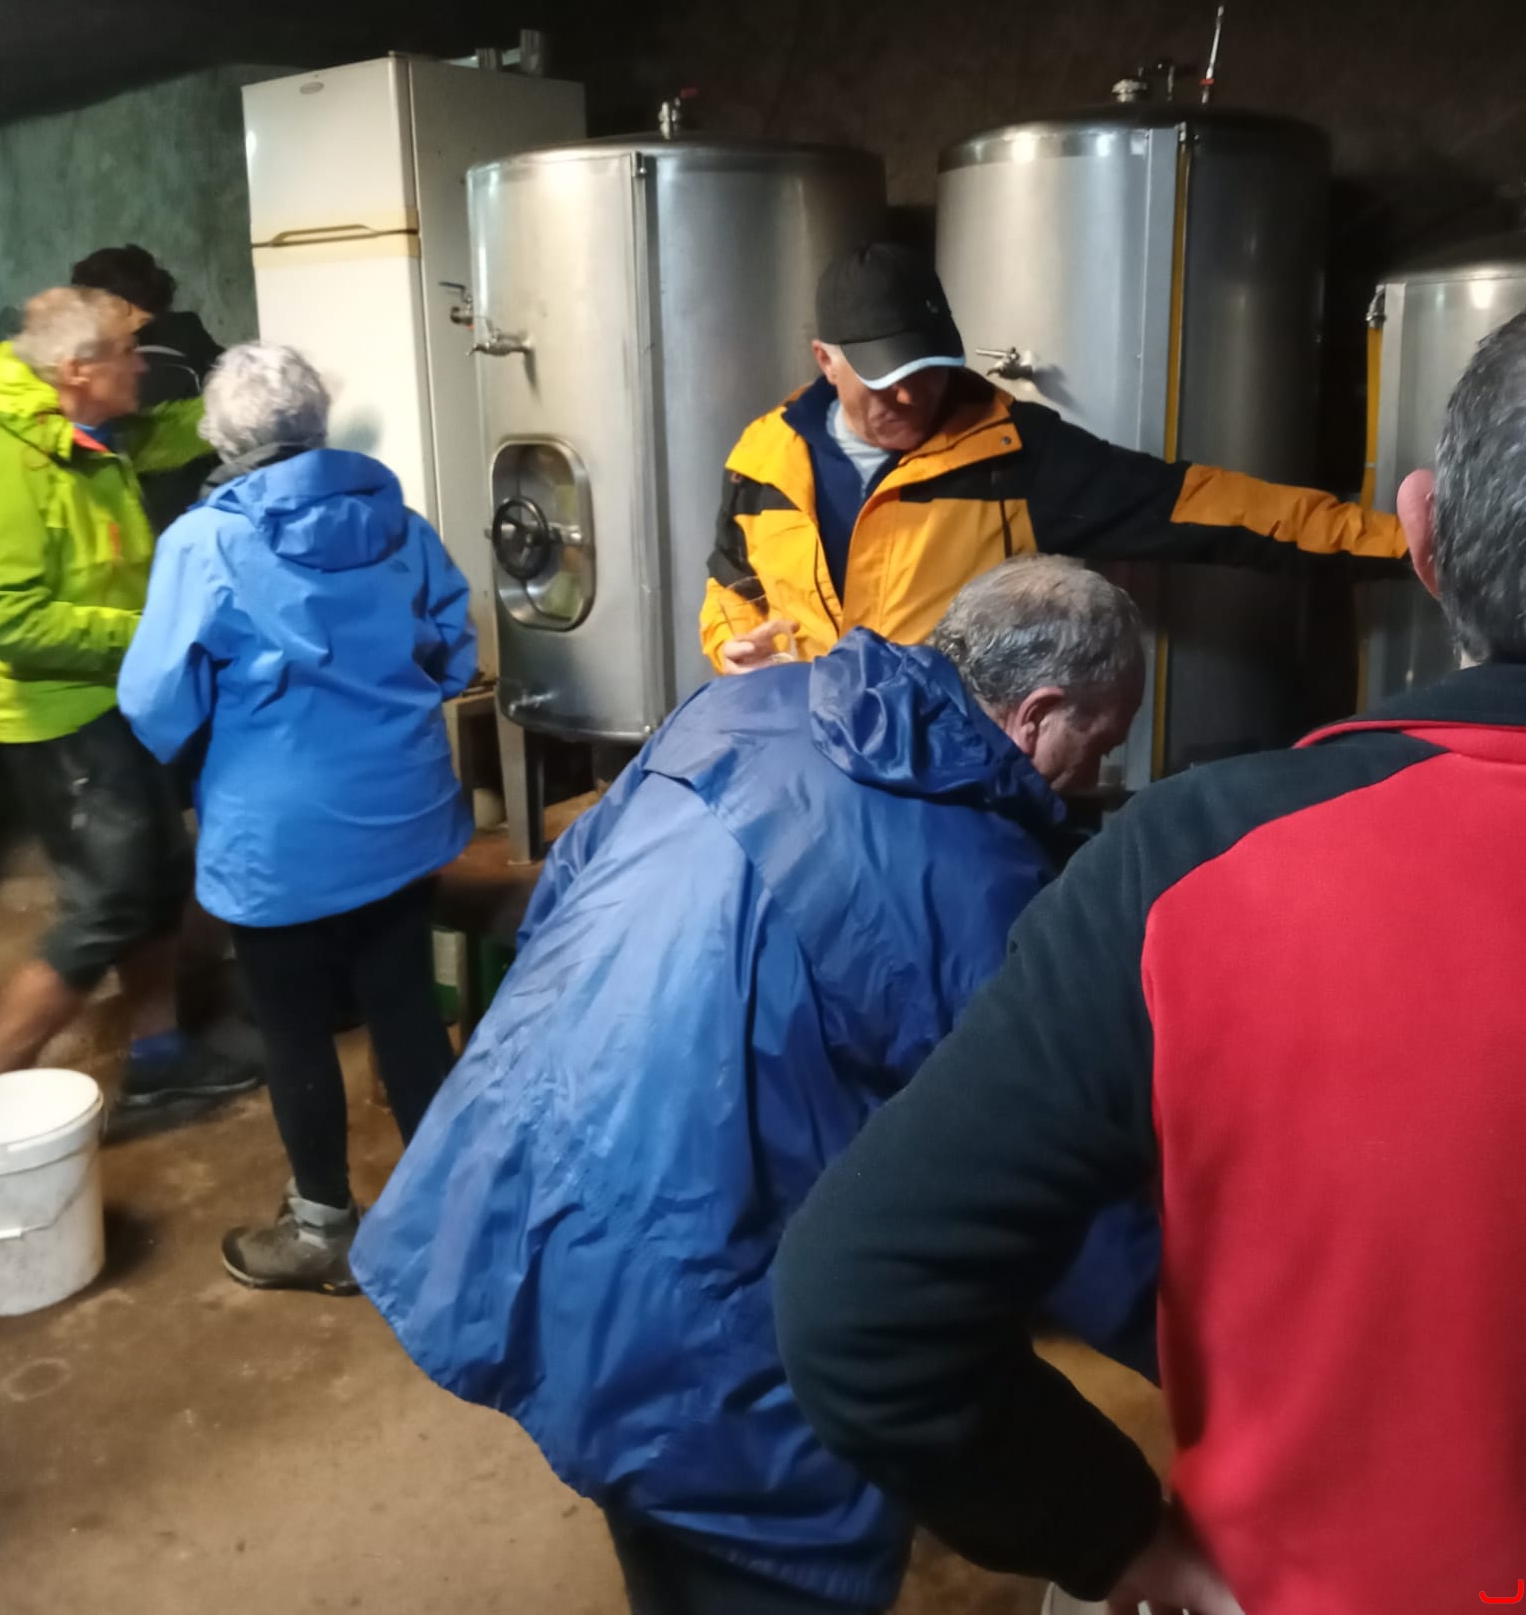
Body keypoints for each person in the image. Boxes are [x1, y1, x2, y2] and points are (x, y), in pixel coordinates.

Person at [772, 308, 1526, 1615]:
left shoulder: (1193, 864)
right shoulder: (778, 479)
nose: (1105, 771)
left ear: (1426, 532)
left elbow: (869, 1294)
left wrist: (1113, 1535)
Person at [351, 556, 1146, 1615]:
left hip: (511, 1184)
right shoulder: (974, 886)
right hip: (699, 1311)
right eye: (1099, 741)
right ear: (1037, 713)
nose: (1094, 771)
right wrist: (1222, 1348)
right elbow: (1063, 1203)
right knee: (742, 1551)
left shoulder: (743, 703)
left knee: (646, 1510)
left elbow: (559, 904)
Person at [119, 343, 475, 1296]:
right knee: (405, 1006)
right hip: (401, 814)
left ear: (223, 436)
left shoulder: (206, 542)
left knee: (294, 1028)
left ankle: (323, 1229)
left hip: (280, 838)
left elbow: (155, 702)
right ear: (316, 422)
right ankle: (452, 1220)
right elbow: (453, 646)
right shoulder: (396, 520)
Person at [702, 239, 1407, 673]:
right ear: (826, 361)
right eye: (886, 380)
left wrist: (1405, 544)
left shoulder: (1015, 456)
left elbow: (1217, 508)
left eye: (929, 371)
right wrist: (732, 645)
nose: (912, 397)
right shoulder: (766, 457)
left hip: (946, 787)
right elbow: (733, 584)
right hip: (800, 765)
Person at [0, 288, 257, 1101]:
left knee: (160, 876)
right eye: (127, 353)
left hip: (118, 695)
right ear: (77, 369)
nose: (143, 366)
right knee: (105, 904)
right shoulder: (12, 459)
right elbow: (11, 621)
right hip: (60, 717)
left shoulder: (89, 430)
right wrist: (151, 632)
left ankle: (160, 1058)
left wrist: (257, 405)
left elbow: (171, 431)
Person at [70, 243, 223, 532]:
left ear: (120, 307)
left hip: (165, 532)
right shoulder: (199, 347)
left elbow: (142, 451)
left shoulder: (134, 370)